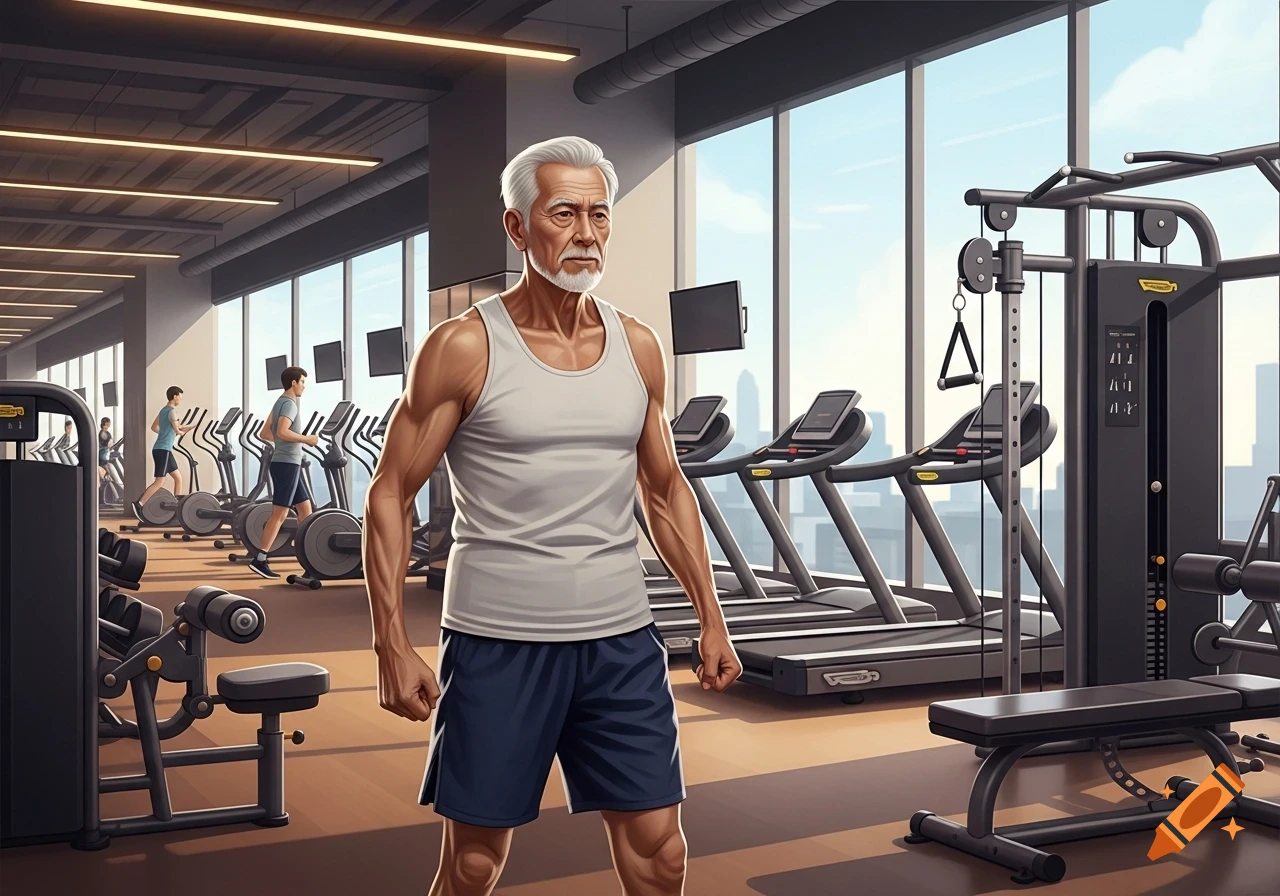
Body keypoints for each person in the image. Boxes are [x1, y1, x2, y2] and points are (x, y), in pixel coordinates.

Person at [364, 135, 741, 896]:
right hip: (500, 641)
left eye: (599, 214)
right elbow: (389, 492)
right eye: (563, 213)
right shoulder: (463, 346)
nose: (587, 233)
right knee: (474, 864)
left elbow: (663, 487)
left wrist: (711, 614)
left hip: (620, 640)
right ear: (517, 228)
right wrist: (389, 644)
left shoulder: (637, 345)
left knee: (663, 854)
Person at [248, 366, 319, 579]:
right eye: (303, 382)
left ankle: (310, 559)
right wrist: (307, 439)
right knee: (280, 515)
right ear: (294, 383)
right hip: (287, 464)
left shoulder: (279, 402)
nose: (304, 387)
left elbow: (264, 433)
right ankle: (260, 559)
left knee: (306, 512)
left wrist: (283, 442)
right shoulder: (289, 404)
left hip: (287, 462)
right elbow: (281, 431)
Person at [132, 386, 194, 520]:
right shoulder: (172, 411)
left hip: (163, 449)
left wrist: (167, 432)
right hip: (163, 449)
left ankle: (177, 509)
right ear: (175, 396)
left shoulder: (163, 410)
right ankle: (139, 504)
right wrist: (188, 429)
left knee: (178, 478)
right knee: (160, 481)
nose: (180, 401)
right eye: (180, 398)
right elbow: (178, 430)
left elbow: (154, 427)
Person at [97, 417, 111, 483]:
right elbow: (107, 442)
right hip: (102, 454)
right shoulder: (102, 433)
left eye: (108, 424)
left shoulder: (107, 433)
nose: (107, 426)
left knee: (107, 470)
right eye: (106, 424)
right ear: (103, 424)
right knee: (106, 471)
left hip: (106, 454)